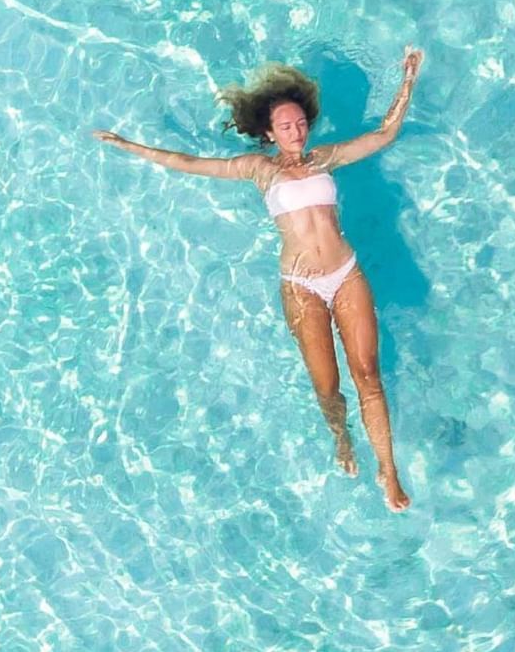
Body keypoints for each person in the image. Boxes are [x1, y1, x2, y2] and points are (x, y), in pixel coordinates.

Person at [93, 49, 424, 510]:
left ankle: (388, 471)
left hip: (345, 274)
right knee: (327, 386)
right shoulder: (259, 169)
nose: (296, 131)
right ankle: (342, 439)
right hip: (301, 286)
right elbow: (188, 162)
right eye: (285, 127)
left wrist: (408, 75)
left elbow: (386, 133)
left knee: (367, 373)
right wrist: (128, 145)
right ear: (268, 133)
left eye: (301, 124)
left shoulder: (325, 158)